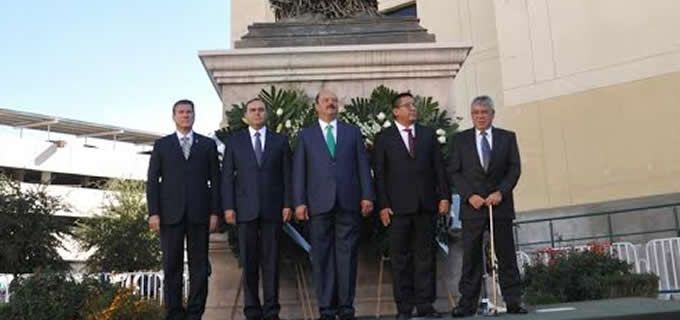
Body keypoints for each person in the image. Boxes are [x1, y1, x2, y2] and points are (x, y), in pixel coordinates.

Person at [292, 88, 374, 320]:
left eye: (334, 101)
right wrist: (299, 202)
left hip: (348, 202)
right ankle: (326, 308)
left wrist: (367, 195)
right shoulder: (306, 135)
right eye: (326, 100)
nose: (331, 104)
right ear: (316, 106)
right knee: (322, 257)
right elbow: (299, 171)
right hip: (318, 205)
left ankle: (346, 308)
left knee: (347, 256)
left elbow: (362, 166)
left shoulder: (352, 133)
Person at [448, 95, 527, 317]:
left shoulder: (507, 138)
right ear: (472, 115)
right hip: (472, 209)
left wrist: (501, 192)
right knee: (471, 257)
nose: (480, 117)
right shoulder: (460, 140)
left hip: (499, 207)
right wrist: (469, 195)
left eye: (484, 112)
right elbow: (454, 171)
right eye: (476, 113)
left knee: (506, 254)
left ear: (492, 114)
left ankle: (513, 301)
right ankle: (467, 304)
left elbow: (514, 168)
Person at [373, 92, 450, 320]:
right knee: (400, 259)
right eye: (407, 106)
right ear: (396, 111)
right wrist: (383, 205)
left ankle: (426, 304)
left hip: (426, 205)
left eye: (414, 105)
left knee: (425, 256)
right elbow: (380, 175)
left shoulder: (427, 135)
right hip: (397, 209)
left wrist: (444, 196)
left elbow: (439, 168)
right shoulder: (384, 138)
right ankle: (404, 307)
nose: (413, 108)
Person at [146, 99, 220, 320]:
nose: (186, 115)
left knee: (199, 268)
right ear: (174, 116)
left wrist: (215, 212)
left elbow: (215, 181)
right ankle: (174, 313)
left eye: (189, 112)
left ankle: (195, 313)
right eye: (181, 112)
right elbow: (152, 181)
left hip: (200, 215)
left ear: (194, 115)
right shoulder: (162, 145)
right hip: (170, 216)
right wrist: (153, 213)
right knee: (172, 266)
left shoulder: (207, 145)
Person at [222, 98, 292, 320]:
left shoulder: (280, 141)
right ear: (246, 115)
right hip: (244, 210)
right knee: (249, 262)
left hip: (273, 210)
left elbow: (287, 177)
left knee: (271, 263)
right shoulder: (235, 141)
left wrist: (288, 204)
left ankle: (272, 311)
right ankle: (252, 310)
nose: (257, 113)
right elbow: (227, 179)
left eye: (261, 110)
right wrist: (229, 207)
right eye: (253, 110)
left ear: (266, 114)